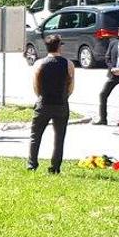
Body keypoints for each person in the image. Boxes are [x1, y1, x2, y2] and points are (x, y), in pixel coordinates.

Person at [29, 35, 73, 173]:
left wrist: (41, 97)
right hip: (61, 103)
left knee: (35, 136)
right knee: (59, 138)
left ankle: (32, 164)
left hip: (44, 103)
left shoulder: (39, 64)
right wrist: (65, 96)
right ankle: (55, 167)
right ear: (59, 46)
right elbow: (71, 85)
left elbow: (35, 86)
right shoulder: (68, 63)